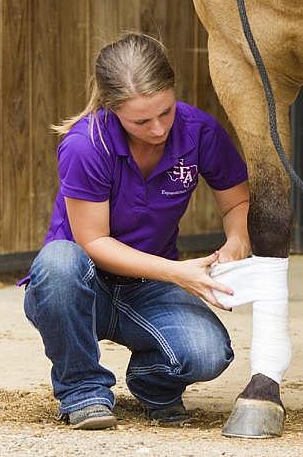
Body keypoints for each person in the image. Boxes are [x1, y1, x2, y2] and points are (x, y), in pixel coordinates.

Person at [19, 32, 250, 430]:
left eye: (166, 112)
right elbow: (93, 242)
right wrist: (179, 273)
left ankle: (152, 384)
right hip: (79, 287)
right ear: (112, 109)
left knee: (208, 353)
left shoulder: (200, 132)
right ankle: (83, 391)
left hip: (146, 286)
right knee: (58, 261)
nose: (159, 128)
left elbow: (235, 202)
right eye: (141, 121)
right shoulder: (85, 144)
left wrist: (237, 240)